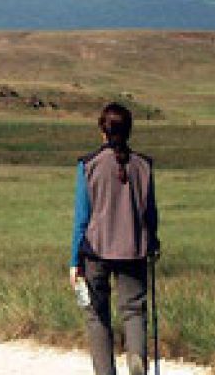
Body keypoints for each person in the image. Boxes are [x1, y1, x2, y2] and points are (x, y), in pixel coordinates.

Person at [69, 103, 160, 375]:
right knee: (134, 312)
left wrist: (75, 260)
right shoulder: (144, 165)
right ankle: (136, 359)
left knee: (97, 317)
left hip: (96, 250)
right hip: (134, 249)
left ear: (102, 130)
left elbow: (81, 219)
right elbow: (150, 213)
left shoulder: (88, 165)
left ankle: (105, 372)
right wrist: (152, 243)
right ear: (129, 131)